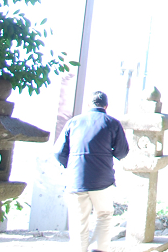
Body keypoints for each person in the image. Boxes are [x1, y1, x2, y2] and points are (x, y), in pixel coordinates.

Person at [55, 91, 129, 252]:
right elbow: (122, 152)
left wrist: (72, 164)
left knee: (78, 221)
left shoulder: (73, 123)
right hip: (103, 179)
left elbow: (58, 152)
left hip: (76, 180)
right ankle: (98, 249)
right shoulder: (112, 123)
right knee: (104, 214)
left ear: (88, 105)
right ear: (106, 106)